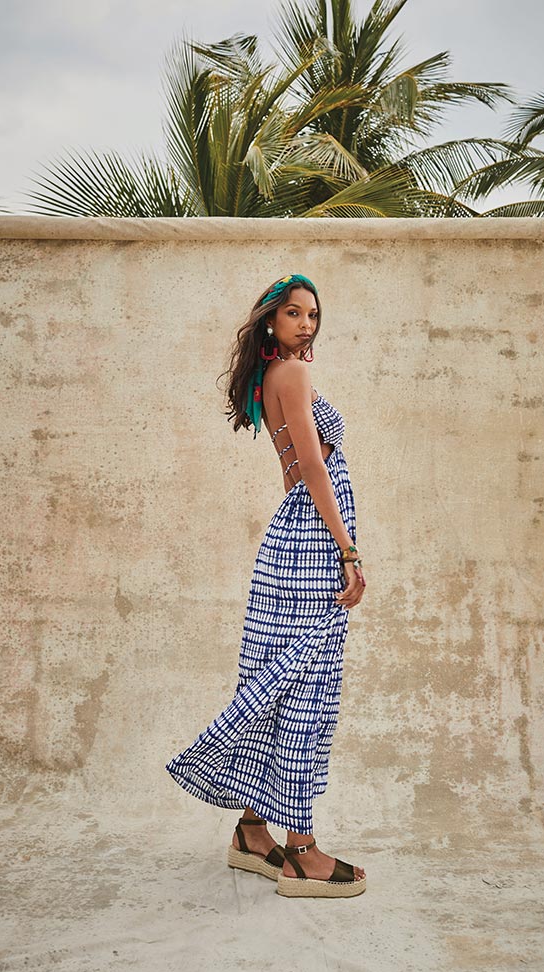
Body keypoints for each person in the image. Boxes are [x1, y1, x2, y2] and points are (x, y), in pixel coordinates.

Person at [165, 273, 367, 898]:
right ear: (271, 323)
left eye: (313, 314)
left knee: (279, 678)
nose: (306, 323)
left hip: (292, 540)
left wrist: (309, 533)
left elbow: (292, 480)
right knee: (305, 693)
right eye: (294, 314)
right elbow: (309, 465)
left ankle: (253, 829)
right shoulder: (295, 375)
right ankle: (301, 852)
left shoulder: (271, 379)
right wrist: (347, 549)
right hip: (312, 544)